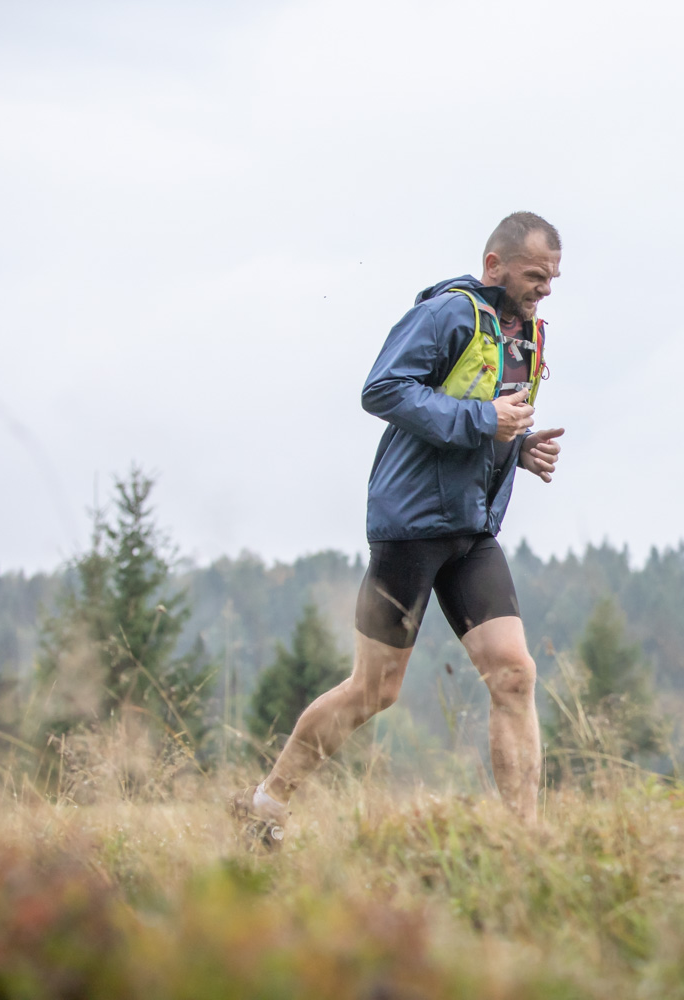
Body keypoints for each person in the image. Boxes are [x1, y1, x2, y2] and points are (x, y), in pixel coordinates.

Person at [232, 211, 564, 847]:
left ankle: (528, 843)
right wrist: (480, 423)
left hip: (473, 532)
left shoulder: (523, 334)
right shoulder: (446, 314)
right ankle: (267, 803)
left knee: (514, 674)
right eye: (534, 275)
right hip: (410, 528)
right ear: (494, 265)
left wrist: (517, 449)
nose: (544, 287)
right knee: (373, 691)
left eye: (552, 278)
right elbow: (382, 389)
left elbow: (488, 419)